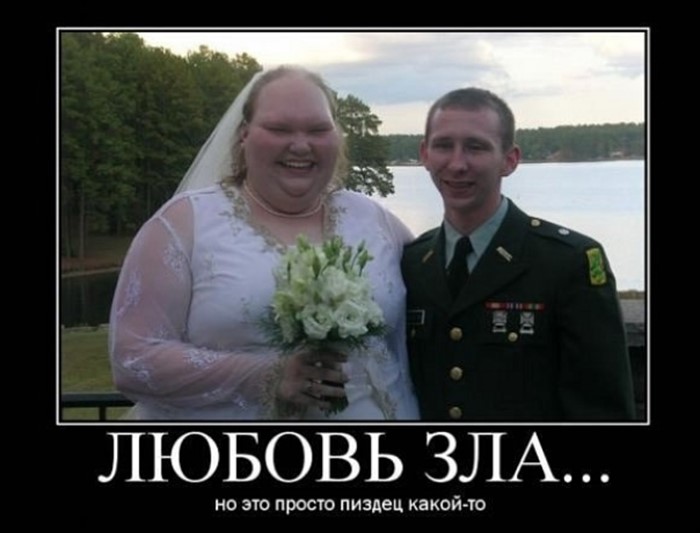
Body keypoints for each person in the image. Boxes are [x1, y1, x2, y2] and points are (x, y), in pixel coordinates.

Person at [108, 66, 419, 421]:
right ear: (244, 135)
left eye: (318, 129)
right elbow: (132, 360)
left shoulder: (376, 221)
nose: (300, 145)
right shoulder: (183, 224)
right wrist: (267, 375)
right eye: (279, 129)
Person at [402, 87, 636, 421]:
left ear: (509, 160)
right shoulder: (413, 261)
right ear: (425, 154)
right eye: (443, 146)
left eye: (476, 147)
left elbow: (602, 409)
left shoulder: (567, 261)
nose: (457, 163)